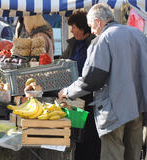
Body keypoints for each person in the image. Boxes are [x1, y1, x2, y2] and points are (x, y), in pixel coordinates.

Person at [58, 3, 147, 160]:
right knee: (133, 155)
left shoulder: (102, 40)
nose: (92, 31)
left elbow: (91, 80)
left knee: (113, 154)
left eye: (92, 26)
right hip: (138, 107)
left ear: (98, 22)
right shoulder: (138, 34)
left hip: (114, 109)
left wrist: (67, 91)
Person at [62, 10, 100, 160]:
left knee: (90, 136)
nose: (71, 30)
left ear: (83, 27)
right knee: (78, 136)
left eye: (74, 27)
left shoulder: (94, 43)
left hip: (90, 96)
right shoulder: (72, 44)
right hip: (74, 95)